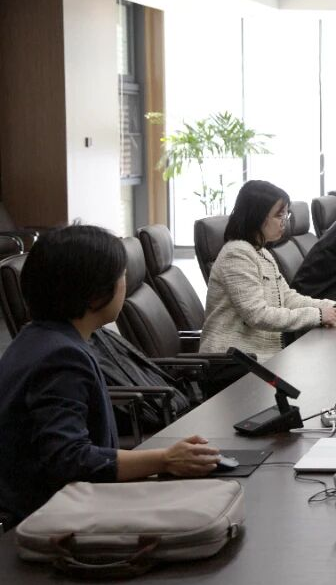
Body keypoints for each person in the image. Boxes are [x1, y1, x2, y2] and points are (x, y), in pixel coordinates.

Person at [0, 226, 220, 529]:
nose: (125, 284)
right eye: (122, 276)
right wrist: (165, 459)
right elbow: (69, 460)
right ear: (95, 295)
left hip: (57, 506)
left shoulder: (40, 337)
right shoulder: (62, 357)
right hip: (55, 521)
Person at [201, 181, 336, 361]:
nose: (285, 222)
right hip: (233, 360)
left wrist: (330, 306)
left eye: (286, 214)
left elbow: (287, 298)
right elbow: (257, 315)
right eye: (279, 215)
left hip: (260, 357)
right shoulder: (236, 254)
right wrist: (318, 315)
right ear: (256, 216)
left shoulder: (261, 252)